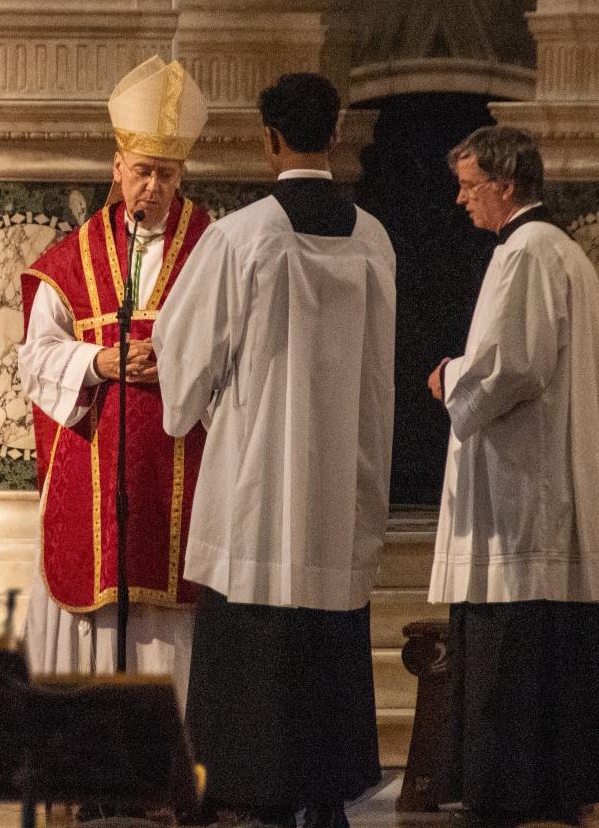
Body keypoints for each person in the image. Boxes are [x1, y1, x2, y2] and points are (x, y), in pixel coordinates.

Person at [153, 72, 396, 828]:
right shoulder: (374, 237)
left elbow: (182, 358)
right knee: (328, 634)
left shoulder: (242, 234)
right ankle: (325, 794)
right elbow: (381, 372)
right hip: (338, 483)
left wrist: (189, 402)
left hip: (257, 479)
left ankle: (248, 790)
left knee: (252, 641)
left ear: (269, 138)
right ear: (335, 135)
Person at [427, 125, 599, 828]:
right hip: (543, 483)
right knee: (551, 644)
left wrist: (450, 376)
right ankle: (553, 785)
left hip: (523, 493)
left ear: (505, 187)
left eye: (469, 185)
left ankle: (507, 788)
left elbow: (512, 365)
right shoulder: (560, 250)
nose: (461, 199)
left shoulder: (524, 254)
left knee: (512, 640)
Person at [17, 56, 212, 699]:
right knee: (100, 607)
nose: (152, 188)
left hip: (186, 467)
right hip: (94, 466)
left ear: (182, 175)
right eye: (142, 172)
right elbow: (35, 356)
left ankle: (182, 772)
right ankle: (94, 772)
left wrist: (179, 364)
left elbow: (244, 353)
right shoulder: (71, 259)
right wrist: (98, 363)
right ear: (117, 168)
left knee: (177, 615)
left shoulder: (217, 250)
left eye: (165, 174)